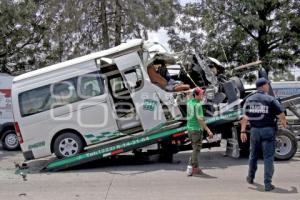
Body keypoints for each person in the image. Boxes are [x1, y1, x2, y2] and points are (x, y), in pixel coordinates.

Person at [240, 77, 287, 191]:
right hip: (268, 131)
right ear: (263, 86)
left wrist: (242, 131)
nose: (268, 86)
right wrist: (284, 124)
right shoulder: (270, 99)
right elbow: (281, 114)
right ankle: (267, 184)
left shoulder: (249, 99)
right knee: (268, 158)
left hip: (255, 131)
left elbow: (245, 117)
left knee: (253, 156)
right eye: (267, 84)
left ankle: (250, 178)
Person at [186, 87, 214, 176]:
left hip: (190, 129)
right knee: (196, 150)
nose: (203, 95)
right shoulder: (198, 105)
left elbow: (189, 95)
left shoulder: (189, 102)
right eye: (201, 94)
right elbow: (200, 119)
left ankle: (195, 169)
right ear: (196, 95)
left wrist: (193, 91)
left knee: (195, 148)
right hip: (196, 130)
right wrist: (208, 130)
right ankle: (191, 167)